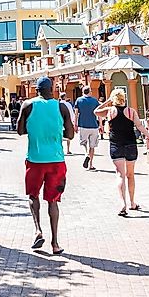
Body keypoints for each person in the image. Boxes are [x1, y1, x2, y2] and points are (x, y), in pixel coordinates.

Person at [17, 76, 75, 255]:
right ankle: (55, 243)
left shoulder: (28, 105)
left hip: (35, 159)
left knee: (33, 196)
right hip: (56, 160)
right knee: (53, 201)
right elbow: (71, 134)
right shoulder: (61, 106)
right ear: (53, 89)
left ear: (36, 90)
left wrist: (34, 129)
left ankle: (37, 230)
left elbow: (19, 130)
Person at [95, 88, 142, 215]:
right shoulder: (131, 111)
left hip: (116, 145)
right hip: (131, 144)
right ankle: (132, 203)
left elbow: (96, 111)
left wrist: (107, 102)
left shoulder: (110, 111)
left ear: (113, 99)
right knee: (130, 175)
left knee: (120, 175)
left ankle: (123, 204)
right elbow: (140, 126)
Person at [73, 89, 101, 170]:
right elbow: (99, 113)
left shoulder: (79, 100)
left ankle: (86, 154)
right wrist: (101, 125)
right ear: (90, 92)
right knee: (92, 146)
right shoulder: (95, 101)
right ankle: (91, 165)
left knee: (83, 143)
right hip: (94, 125)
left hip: (83, 125)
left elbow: (76, 113)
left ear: (83, 92)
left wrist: (75, 124)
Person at [58, 90, 75, 155]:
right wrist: (73, 121)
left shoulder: (58, 104)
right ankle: (68, 150)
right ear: (65, 97)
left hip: (59, 122)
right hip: (67, 121)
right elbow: (71, 113)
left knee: (60, 136)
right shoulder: (68, 104)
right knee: (68, 136)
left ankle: (60, 149)